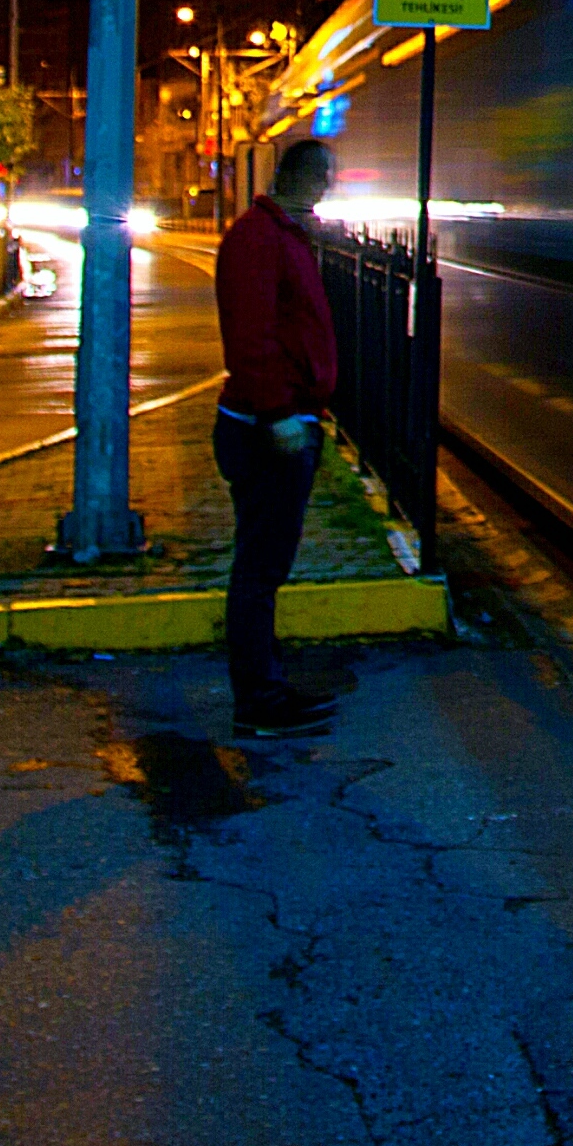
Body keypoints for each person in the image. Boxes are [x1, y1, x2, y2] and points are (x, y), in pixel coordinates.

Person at [212, 133, 344, 731]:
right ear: (308, 180)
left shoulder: (278, 235)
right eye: (324, 182)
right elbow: (252, 335)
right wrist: (276, 414)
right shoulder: (258, 240)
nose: (326, 194)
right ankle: (258, 701)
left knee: (265, 563)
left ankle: (265, 686)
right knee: (260, 568)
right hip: (269, 427)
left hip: (282, 419)